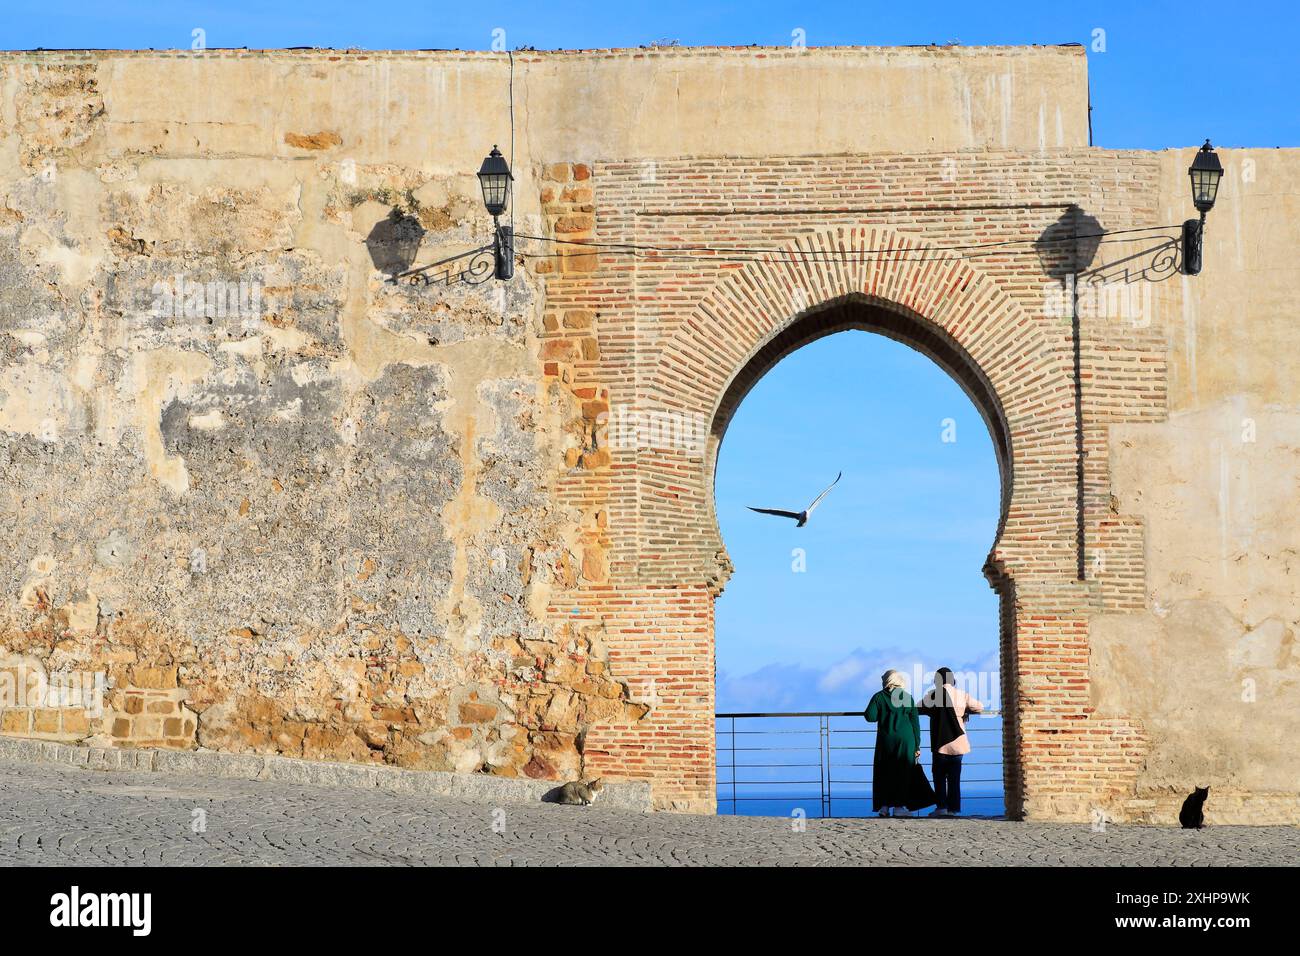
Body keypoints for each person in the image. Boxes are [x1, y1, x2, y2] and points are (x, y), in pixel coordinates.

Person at [917, 666, 983, 817]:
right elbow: (979, 707)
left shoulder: (933, 695)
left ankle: (941, 807)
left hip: (940, 742)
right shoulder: (962, 695)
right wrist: (965, 711)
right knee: (955, 778)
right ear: (953, 680)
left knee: (939, 776)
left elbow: (917, 708)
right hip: (958, 742)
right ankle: (953, 809)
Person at [863, 669, 921, 817]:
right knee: (903, 772)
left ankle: (884, 806)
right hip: (906, 740)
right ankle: (899, 806)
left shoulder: (879, 697)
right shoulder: (907, 697)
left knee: (884, 771)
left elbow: (870, 716)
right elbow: (915, 723)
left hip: (885, 740)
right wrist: (917, 745)